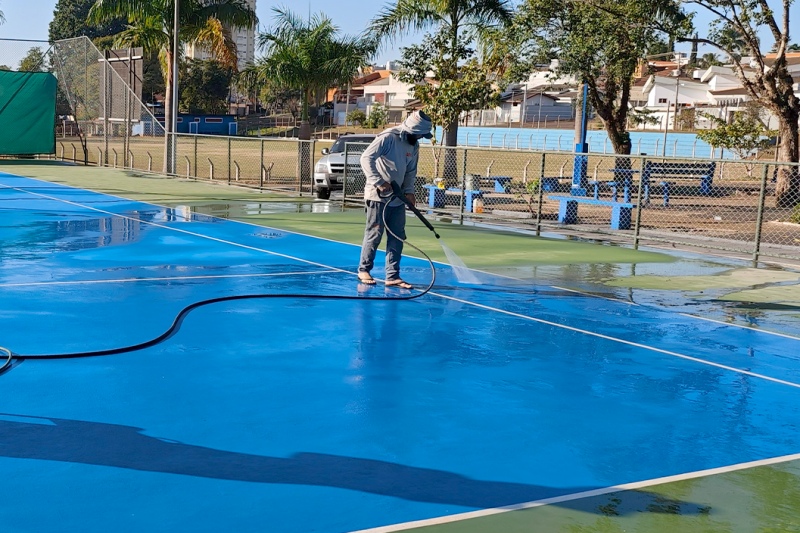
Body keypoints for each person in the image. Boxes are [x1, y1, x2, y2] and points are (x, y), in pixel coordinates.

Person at [357, 110, 433, 289]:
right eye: (419, 134)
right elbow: (366, 158)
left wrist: (409, 191)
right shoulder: (388, 138)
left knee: (397, 235)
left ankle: (392, 275)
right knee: (375, 233)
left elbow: (411, 171)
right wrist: (379, 182)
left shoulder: (413, 146)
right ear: (412, 130)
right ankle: (364, 270)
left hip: (398, 198)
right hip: (378, 196)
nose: (420, 138)